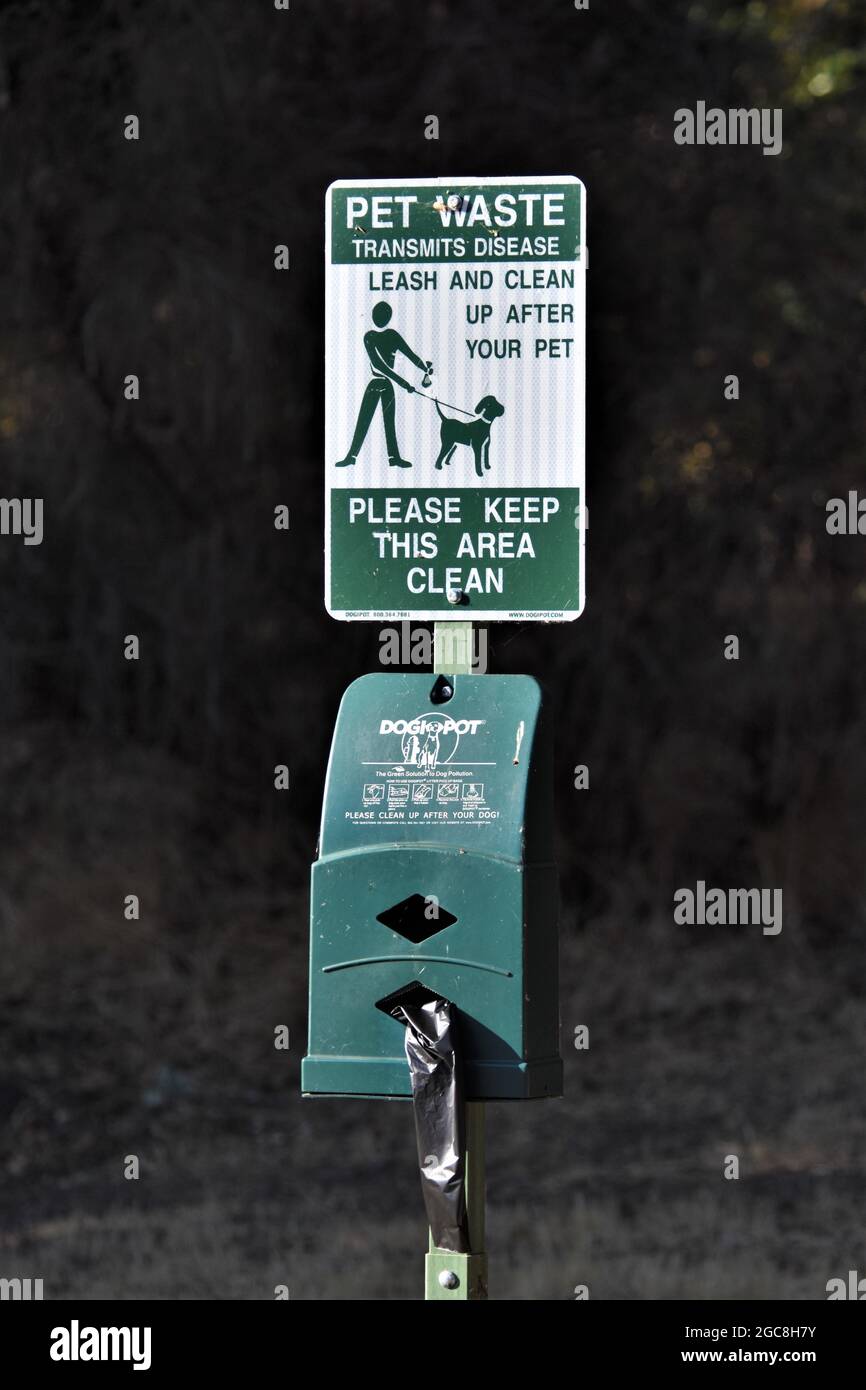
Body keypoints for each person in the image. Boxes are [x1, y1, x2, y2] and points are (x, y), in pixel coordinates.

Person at [335, 302, 432, 468]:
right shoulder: (370, 337)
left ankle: (394, 458)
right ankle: (351, 456)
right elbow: (379, 365)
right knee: (363, 420)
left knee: (389, 423)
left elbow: (410, 355)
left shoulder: (386, 336)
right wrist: (404, 383)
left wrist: (425, 368)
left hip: (385, 384)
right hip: (379, 382)